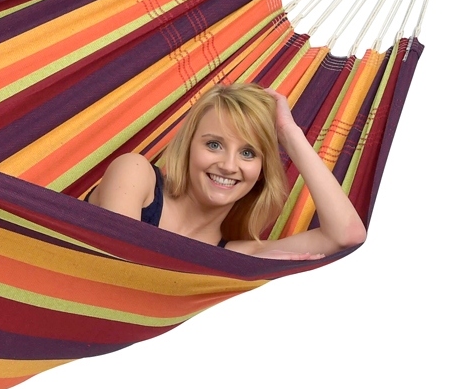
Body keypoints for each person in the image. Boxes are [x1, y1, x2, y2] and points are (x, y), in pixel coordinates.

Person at [88, 82, 367, 260]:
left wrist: (289, 133)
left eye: (248, 153)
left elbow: (347, 235)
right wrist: (232, 271)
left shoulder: (239, 254)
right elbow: (121, 264)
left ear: (261, 171)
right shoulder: (135, 173)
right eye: (214, 144)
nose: (229, 166)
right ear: (188, 146)